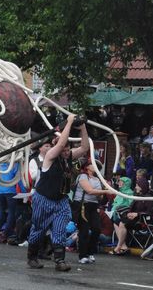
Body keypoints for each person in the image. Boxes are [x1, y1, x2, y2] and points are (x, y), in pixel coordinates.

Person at [26, 114, 89, 271]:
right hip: (43, 199)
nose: (67, 152)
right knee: (38, 229)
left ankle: (60, 260)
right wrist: (68, 122)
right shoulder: (50, 157)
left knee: (60, 229)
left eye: (68, 149)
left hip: (60, 201)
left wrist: (82, 128)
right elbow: (60, 145)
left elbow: (85, 147)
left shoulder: (68, 157)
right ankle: (32, 257)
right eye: (65, 150)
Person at [72, 160, 108, 264]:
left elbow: (99, 196)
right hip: (83, 205)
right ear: (87, 167)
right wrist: (105, 191)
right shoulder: (83, 176)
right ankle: (82, 255)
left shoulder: (97, 179)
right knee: (84, 230)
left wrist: (103, 192)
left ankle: (90, 252)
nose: (95, 166)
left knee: (96, 229)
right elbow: (89, 191)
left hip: (93, 205)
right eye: (93, 164)